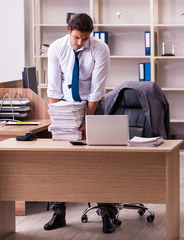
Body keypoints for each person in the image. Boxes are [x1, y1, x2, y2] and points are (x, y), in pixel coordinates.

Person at [45, 13, 118, 234]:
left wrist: (88, 119)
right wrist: (59, 119)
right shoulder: (56, 48)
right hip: (66, 107)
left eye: (85, 39)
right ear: (69, 30)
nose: (80, 43)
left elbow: (97, 88)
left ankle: (107, 214)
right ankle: (58, 213)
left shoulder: (100, 48)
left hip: (93, 106)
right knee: (61, 161)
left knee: (100, 161)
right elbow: (54, 89)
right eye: (77, 37)